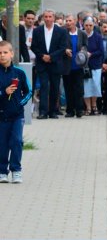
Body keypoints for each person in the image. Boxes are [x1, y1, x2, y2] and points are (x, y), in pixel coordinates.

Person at [0, 41, 32, 184]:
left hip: (17, 115)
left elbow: (28, 91)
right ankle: (2, 172)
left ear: (12, 54)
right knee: (2, 144)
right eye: (0, 53)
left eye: (5, 52)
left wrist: (19, 104)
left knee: (17, 142)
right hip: (1, 115)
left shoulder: (19, 72)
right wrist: (3, 92)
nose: (2, 55)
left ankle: (16, 170)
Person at [30, 9, 67, 119]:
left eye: (50, 17)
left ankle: (53, 111)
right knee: (44, 87)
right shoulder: (37, 31)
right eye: (46, 17)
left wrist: (51, 57)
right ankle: (43, 112)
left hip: (55, 63)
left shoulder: (61, 31)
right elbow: (34, 46)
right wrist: (42, 56)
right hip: (42, 63)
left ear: (54, 18)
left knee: (55, 88)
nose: (48, 19)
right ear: (43, 18)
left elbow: (63, 47)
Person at [62, 14, 87, 118]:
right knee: (68, 89)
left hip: (78, 66)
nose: (68, 23)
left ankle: (79, 110)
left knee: (79, 89)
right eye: (66, 21)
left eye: (70, 21)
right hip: (67, 66)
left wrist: (83, 50)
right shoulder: (63, 33)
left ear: (75, 21)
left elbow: (86, 45)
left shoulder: (82, 33)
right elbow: (59, 46)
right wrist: (65, 50)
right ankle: (70, 110)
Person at [82, 17, 104, 115]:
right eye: (86, 25)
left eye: (90, 25)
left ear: (93, 25)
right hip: (84, 65)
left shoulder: (98, 36)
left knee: (95, 85)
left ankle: (94, 104)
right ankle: (88, 107)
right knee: (86, 86)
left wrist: (91, 54)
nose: (88, 27)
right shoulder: (81, 35)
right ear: (83, 25)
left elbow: (101, 51)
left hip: (95, 64)